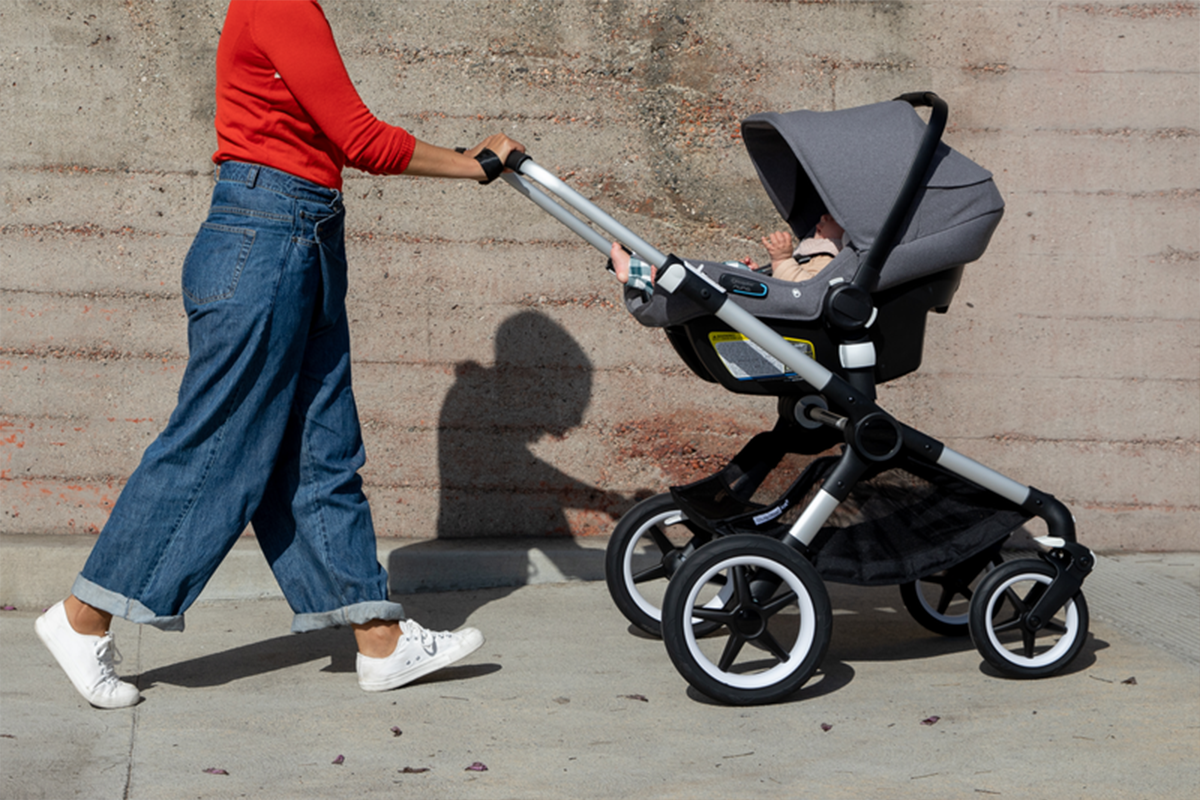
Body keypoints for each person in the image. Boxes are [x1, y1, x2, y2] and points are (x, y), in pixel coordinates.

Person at [35, 0, 524, 709]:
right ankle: (83, 618)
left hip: (302, 236)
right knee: (213, 445)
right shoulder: (279, 6)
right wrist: (473, 164)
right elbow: (360, 139)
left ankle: (379, 639)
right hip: (265, 241)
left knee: (321, 448)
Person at [610, 213, 847, 293]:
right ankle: (638, 272)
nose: (823, 217)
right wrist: (764, 272)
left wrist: (782, 260)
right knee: (732, 271)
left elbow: (803, 290)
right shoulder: (817, 257)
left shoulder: (829, 263)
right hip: (772, 297)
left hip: (776, 309)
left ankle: (634, 269)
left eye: (834, 218)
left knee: (703, 278)